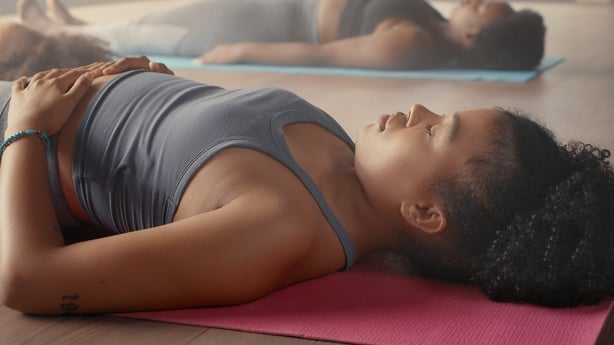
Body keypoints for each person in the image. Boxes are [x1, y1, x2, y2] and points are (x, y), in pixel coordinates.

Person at [1, 56, 612, 315]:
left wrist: (26, 130)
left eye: (433, 133)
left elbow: (27, 279)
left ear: (424, 211)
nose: (418, 109)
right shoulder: (348, 157)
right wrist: (161, 85)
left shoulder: (276, 231)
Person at [1, 0, 546, 80]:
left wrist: (241, 52)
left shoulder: (412, 44)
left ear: (477, 32)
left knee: (155, 33)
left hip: (271, 28)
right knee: (166, 13)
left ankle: (57, 33)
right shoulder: (431, 22)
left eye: (481, 5)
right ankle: (68, 22)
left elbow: (322, 54)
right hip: (275, 8)